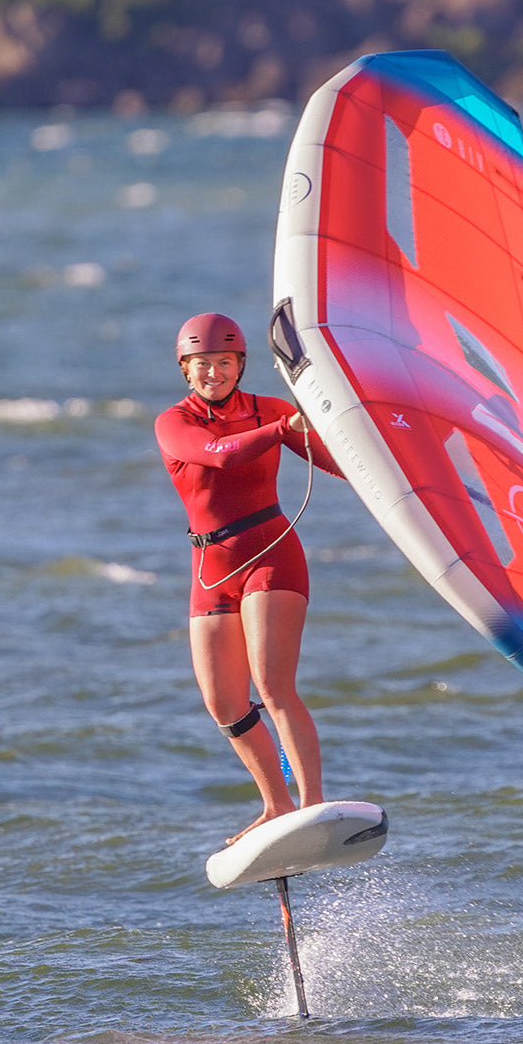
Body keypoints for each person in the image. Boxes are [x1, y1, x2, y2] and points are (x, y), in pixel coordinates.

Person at [154, 312, 342, 845]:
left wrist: (363, 432)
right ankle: (276, 805)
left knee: (274, 685)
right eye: (202, 365)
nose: (214, 373)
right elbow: (218, 453)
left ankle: (312, 804)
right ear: (185, 370)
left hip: (272, 552)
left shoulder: (271, 409)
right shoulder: (175, 422)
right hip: (210, 568)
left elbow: (340, 463)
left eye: (225, 362)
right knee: (226, 705)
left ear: (241, 364)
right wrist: (283, 429)